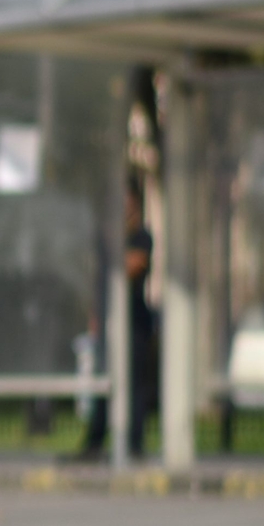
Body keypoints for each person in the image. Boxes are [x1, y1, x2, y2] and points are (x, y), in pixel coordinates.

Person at [77, 185, 159, 459]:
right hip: (110, 318)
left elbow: (130, 267)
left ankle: (134, 443)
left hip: (135, 321)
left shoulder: (141, 236)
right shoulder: (108, 237)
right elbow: (99, 276)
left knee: (136, 383)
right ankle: (95, 440)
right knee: (104, 377)